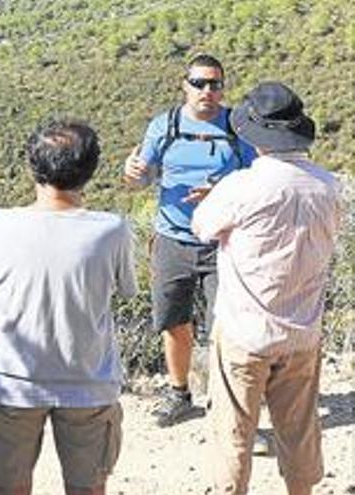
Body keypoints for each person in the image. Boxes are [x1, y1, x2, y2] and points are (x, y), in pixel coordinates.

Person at [0, 119, 138, 495]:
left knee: (8, 486)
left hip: (12, 384)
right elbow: (127, 290)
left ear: (33, 165)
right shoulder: (112, 229)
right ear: (91, 169)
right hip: (89, 384)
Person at [192, 82, 340, 495]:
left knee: (233, 430)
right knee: (299, 430)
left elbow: (201, 226)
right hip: (302, 330)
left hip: (245, 330)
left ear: (255, 138)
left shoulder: (241, 186)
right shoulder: (328, 186)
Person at [122, 53, 257, 427]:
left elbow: (256, 180)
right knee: (173, 321)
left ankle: (225, 402)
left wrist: (220, 191)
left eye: (215, 83)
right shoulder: (163, 126)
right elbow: (141, 178)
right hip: (172, 239)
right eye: (199, 83)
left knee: (226, 327)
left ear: (223, 88)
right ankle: (179, 393)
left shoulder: (237, 127)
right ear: (185, 85)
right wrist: (132, 174)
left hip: (223, 241)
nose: (207, 91)